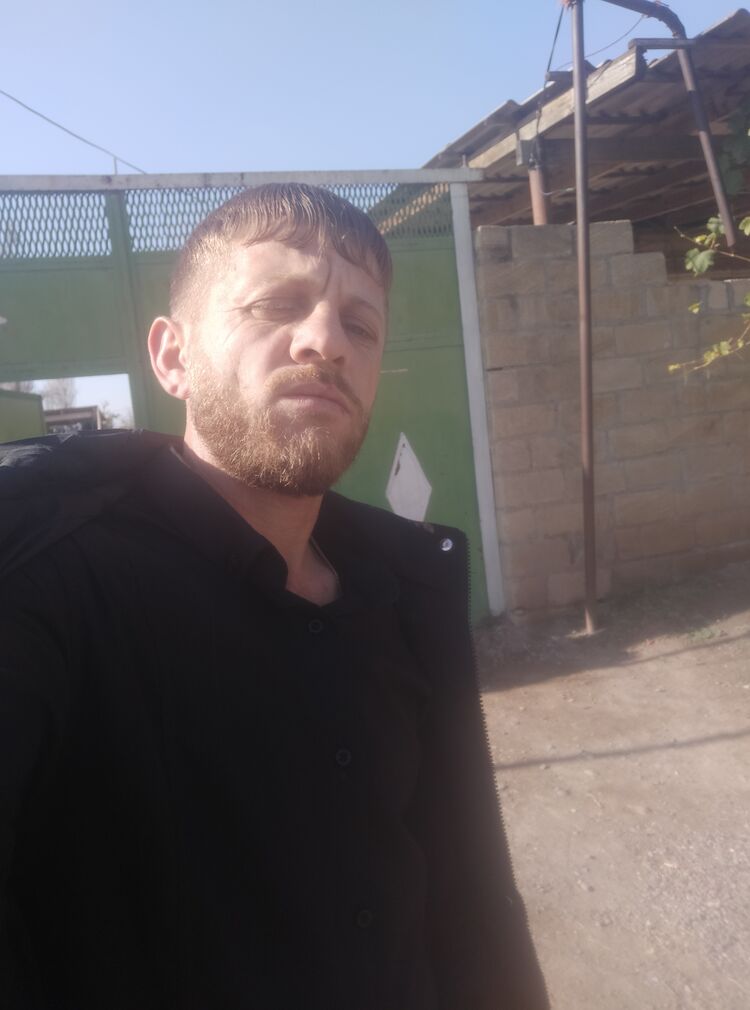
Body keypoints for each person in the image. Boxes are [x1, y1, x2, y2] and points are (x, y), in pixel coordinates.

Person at [0, 183, 548, 1009]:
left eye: (361, 325)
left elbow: (460, 895)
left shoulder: (402, 588)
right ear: (173, 358)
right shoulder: (48, 592)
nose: (326, 342)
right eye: (276, 305)